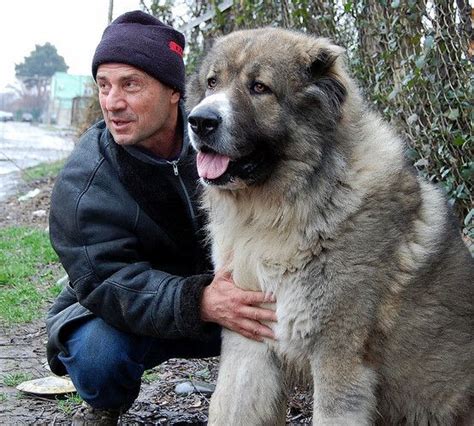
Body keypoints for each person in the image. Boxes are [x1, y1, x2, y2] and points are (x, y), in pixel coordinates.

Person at [46, 10, 277, 425]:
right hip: (131, 311)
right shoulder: (83, 183)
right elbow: (107, 281)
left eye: (130, 85)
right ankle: (107, 401)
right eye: (103, 86)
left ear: (174, 92)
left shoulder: (225, 134)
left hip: (230, 298)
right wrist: (200, 300)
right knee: (99, 358)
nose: (113, 103)